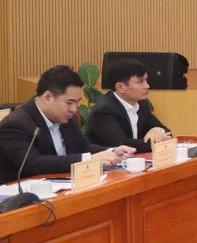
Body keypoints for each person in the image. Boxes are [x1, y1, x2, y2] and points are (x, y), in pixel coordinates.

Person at [0, 65, 135, 182]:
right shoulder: (16, 124)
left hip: (65, 186)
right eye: (69, 102)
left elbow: (83, 147)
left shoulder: (65, 117)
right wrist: (89, 159)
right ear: (48, 97)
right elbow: (32, 164)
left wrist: (111, 151)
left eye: (77, 102)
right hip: (24, 197)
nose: (74, 109)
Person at [86, 56, 175, 152]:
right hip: (104, 160)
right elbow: (123, 144)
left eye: (146, 80)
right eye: (140, 82)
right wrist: (159, 141)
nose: (147, 86)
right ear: (120, 87)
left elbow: (167, 131)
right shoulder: (104, 110)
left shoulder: (141, 104)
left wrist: (158, 130)